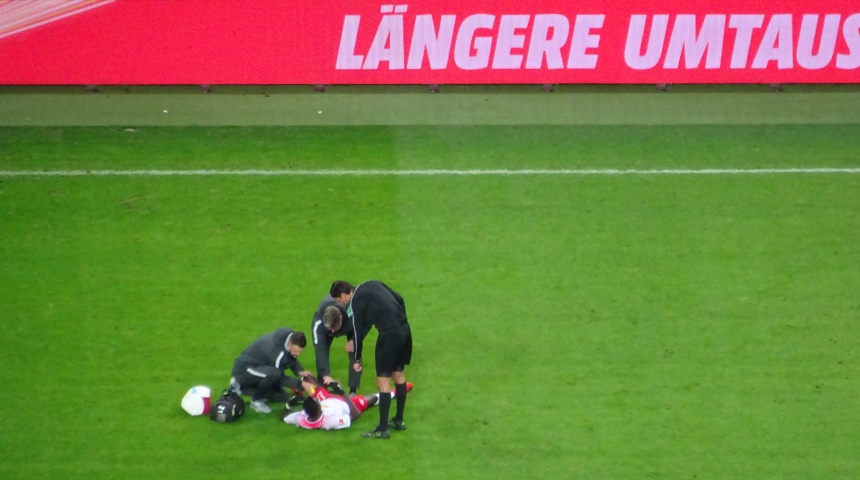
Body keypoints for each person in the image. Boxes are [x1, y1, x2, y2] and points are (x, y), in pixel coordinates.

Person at [341, 280, 412, 439]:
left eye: (340, 300)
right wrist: (400, 318)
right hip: (404, 330)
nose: (342, 303)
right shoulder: (372, 283)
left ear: (345, 294)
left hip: (389, 336)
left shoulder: (355, 302)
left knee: (383, 381)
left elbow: (357, 332)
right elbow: (399, 297)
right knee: (398, 374)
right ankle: (398, 420)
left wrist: (357, 358)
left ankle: (383, 429)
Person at [281, 375, 414, 430]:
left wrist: (289, 404)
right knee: (371, 399)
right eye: (316, 402)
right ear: (317, 409)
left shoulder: (303, 418)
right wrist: (342, 394)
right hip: (347, 404)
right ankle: (395, 392)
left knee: (311, 382)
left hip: (327, 400)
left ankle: (300, 384)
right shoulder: (328, 422)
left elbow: (284, 417)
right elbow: (356, 415)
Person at [229, 327, 312, 413]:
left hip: (261, 366)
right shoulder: (276, 353)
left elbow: (289, 358)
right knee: (274, 375)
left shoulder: (290, 336)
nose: (298, 354)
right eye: (296, 351)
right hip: (244, 369)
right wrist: (301, 384)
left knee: (282, 397)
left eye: (300, 352)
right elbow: (279, 377)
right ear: (290, 344)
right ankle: (255, 400)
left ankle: (242, 386)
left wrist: (299, 370)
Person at [310, 281, 362, 394]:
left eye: (334, 328)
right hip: (324, 328)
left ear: (341, 318)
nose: (332, 331)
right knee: (322, 354)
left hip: (350, 325)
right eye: (330, 329)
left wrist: (353, 340)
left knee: (355, 351)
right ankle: (323, 389)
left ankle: (353, 390)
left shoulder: (351, 309)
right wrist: (325, 374)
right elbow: (321, 351)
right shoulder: (319, 325)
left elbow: (360, 325)